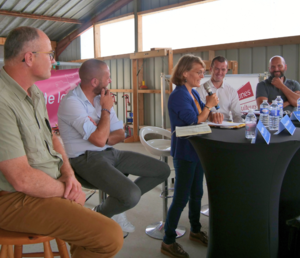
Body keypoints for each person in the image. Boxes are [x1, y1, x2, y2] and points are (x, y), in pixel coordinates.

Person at [0, 27, 123, 258]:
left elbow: (52, 138)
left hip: (44, 184)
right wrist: (65, 191)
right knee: (110, 236)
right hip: (12, 199)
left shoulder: (33, 93)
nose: (53, 61)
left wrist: (68, 174)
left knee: (90, 234)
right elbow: (21, 179)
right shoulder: (2, 100)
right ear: (29, 58)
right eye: (49, 54)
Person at [57, 59, 171, 233]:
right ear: (94, 81)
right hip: (85, 159)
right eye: (108, 77)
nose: (110, 81)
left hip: (109, 152)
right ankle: (98, 215)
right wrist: (105, 112)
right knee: (131, 195)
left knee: (162, 170)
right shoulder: (72, 102)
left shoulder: (102, 99)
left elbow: (119, 133)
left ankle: (116, 205)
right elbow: (98, 140)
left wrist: (102, 136)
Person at [161, 54, 224, 258]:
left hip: (198, 151)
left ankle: (195, 230)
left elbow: (203, 118)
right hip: (186, 153)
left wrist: (212, 113)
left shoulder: (194, 93)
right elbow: (193, 122)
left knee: (197, 193)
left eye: (203, 72)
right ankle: (168, 241)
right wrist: (207, 107)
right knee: (181, 198)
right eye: (198, 72)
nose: (201, 76)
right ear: (184, 73)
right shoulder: (179, 95)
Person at [197, 56, 243, 122]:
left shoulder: (232, 91)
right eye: (217, 69)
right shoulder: (200, 89)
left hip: (227, 128)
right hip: (208, 127)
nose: (219, 72)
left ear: (226, 70)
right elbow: (198, 114)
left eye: (223, 69)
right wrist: (210, 116)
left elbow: (237, 115)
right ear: (210, 69)